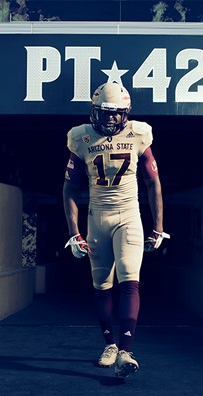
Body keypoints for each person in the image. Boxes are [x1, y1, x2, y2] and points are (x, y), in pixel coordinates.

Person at [63, 81, 169, 379]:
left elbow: (153, 182)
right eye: (105, 113)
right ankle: (110, 344)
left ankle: (126, 350)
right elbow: (70, 187)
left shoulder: (138, 134)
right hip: (97, 217)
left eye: (116, 113)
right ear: (93, 111)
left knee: (129, 277)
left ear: (126, 113)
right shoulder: (81, 138)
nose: (111, 119)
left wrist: (158, 227)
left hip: (128, 216)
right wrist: (73, 232)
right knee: (101, 284)